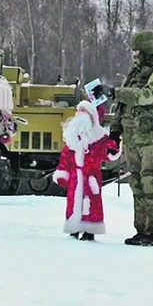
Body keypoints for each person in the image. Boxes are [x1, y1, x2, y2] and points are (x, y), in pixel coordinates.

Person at [92, 30, 153, 246]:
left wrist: (115, 92)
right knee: (137, 184)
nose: (134, 55)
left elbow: (146, 96)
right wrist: (115, 130)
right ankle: (142, 230)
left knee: (150, 182)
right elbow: (124, 106)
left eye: (137, 51)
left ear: (147, 51)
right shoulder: (136, 73)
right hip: (133, 137)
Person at [51, 100, 121, 241]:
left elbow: (109, 154)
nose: (80, 115)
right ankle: (74, 228)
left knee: (92, 204)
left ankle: (90, 230)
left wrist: (115, 144)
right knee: (74, 203)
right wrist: (62, 173)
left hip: (91, 178)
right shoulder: (72, 137)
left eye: (84, 112)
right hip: (75, 179)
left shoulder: (99, 137)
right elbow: (65, 157)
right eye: (79, 111)